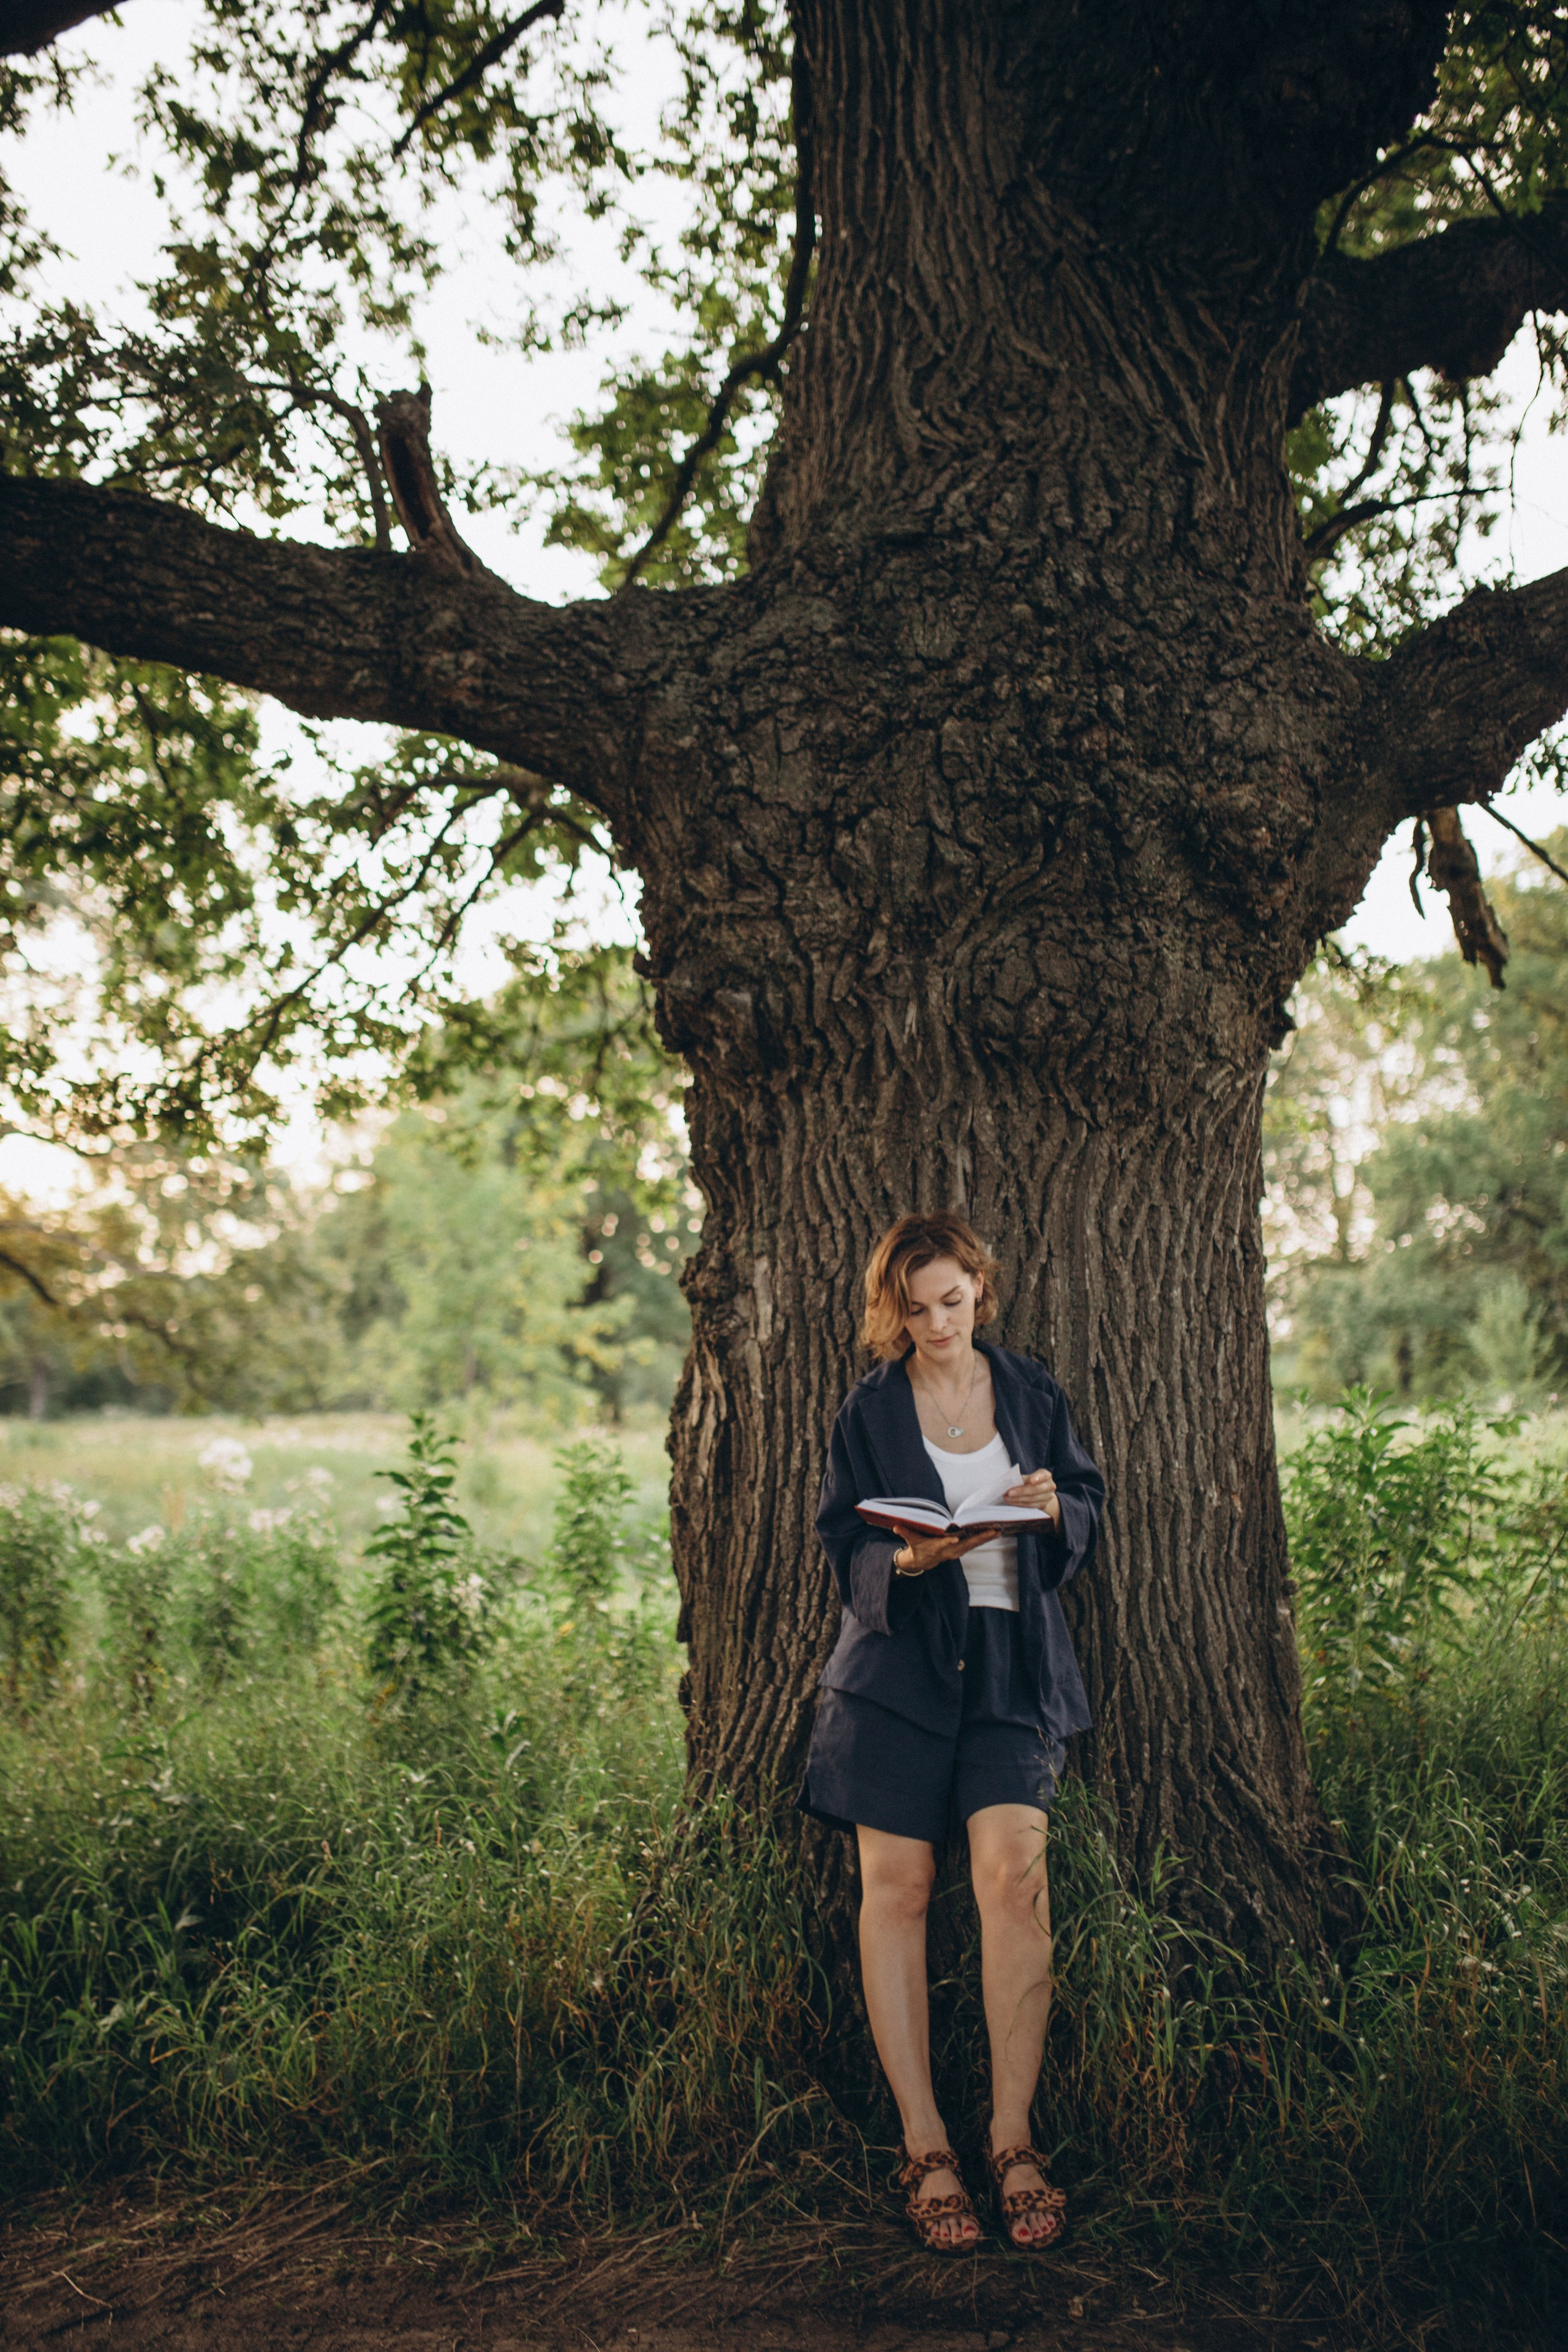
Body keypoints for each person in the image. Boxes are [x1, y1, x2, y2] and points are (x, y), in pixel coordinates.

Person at [800, 1211, 1106, 2255]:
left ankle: (1013, 2138)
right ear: (895, 1307)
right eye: (916, 1305)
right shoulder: (869, 1410)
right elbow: (842, 1538)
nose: (937, 1322)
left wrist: (1053, 1504)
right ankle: (926, 2143)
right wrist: (906, 1565)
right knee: (900, 1890)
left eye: (953, 1300)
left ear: (981, 1289)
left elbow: (1087, 1501)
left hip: (1013, 1665)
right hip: (896, 1677)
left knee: (1013, 1877)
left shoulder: (1030, 1391)